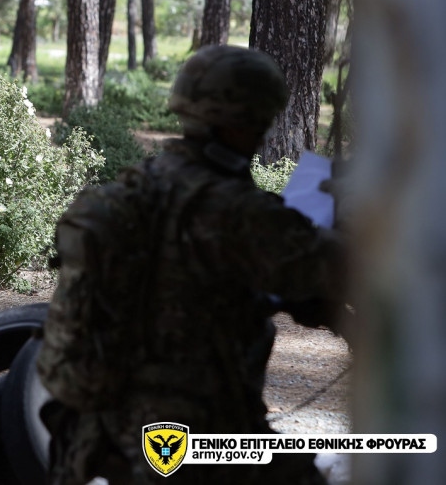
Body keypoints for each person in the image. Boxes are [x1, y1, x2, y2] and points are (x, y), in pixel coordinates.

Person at [36, 45, 349, 484]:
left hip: (96, 432)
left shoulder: (134, 189)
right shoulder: (233, 211)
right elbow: (342, 270)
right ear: (249, 120)